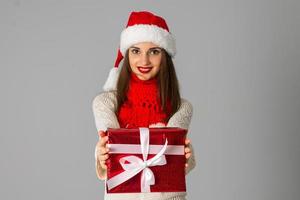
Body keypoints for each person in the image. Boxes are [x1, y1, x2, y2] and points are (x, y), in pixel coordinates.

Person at [92, 11, 196, 200]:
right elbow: (115, 158)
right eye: (136, 51)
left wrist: (186, 158)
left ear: (165, 56)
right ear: (127, 54)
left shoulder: (182, 107)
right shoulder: (105, 103)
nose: (144, 61)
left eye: (154, 52)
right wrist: (102, 157)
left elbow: (171, 164)